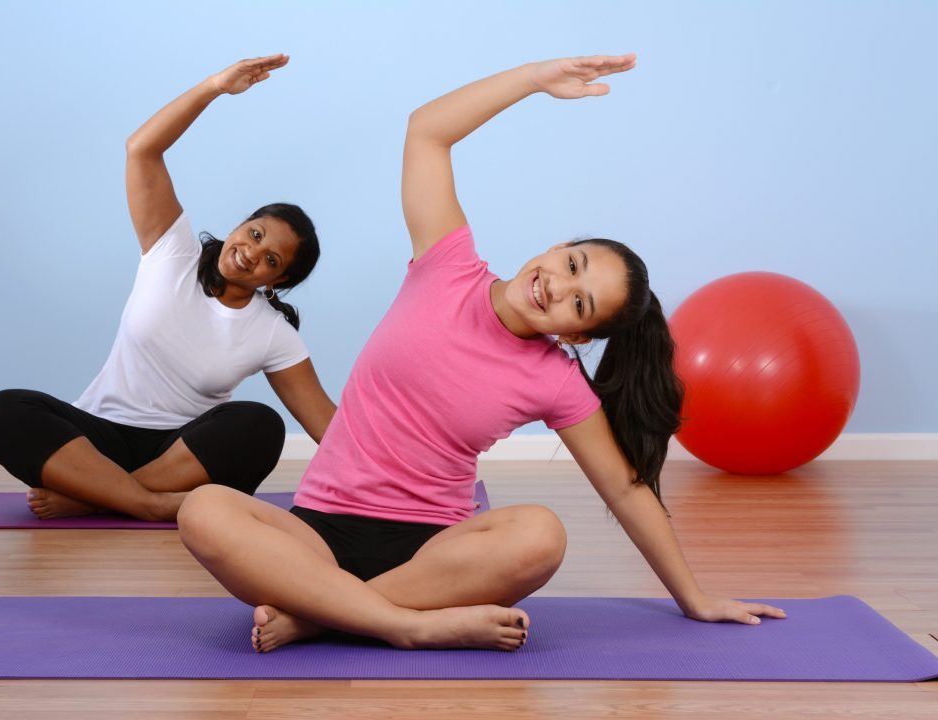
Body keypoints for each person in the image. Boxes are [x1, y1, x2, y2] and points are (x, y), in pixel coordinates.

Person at [177, 54, 786, 652]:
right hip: (317, 529)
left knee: (540, 535)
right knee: (204, 510)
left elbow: (626, 491)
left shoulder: (557, 379)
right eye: (571, 265)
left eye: (580, 305)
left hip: (435, 554)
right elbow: (427, 131)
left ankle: (319, 615)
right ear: (557, 246)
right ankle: (404, 625)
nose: (558, 287)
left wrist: (694, 598)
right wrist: (532, 80)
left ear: (577, 336)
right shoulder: (446, 264)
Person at [0, 55, 335, 522]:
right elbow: (142, 149)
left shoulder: (272, 333)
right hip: (96, 440)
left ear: (279, 280)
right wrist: (214, 86)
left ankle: (95, 498)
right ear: (241, 225)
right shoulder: (173, 251)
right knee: (6, 410)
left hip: (181, 456)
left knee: (260, 425)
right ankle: (144, 504)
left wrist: (418, 486)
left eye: (271, 259)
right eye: (255, 233)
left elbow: (330, 431)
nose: (252, 252)